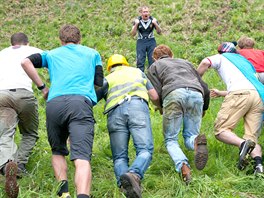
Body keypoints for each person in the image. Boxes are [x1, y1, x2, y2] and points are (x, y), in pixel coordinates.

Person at [21, 25, 104, 198]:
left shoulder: (51, 54)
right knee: (81, 156)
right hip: (80, 103)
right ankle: (82, 195)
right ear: (80, 39)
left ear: (60, 40)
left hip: (55, 104)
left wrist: (43, 87)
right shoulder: (93, 54)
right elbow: (99, 82)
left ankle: (64, 194)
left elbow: (25, 62)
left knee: (58, 151)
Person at [96, 54, 159, 198]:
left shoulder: (107, 79)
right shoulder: (137, 72)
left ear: (110, 67)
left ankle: (125, 188)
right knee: (145, 149)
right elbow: (154, 96)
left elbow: (92, 98)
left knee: (119, 157)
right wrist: (160, 107)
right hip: (137, 108)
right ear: (125, 63)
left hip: (114, 113)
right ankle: (134, 174)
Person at [146, 45, 210, 185]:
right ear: (172, 55)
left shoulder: (154, 67)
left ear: (154, 58)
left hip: (174, 93)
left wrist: (161, 107)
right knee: (191, 134)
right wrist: (204, 107)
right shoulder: (186, 63)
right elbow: (205, 87)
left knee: (171, 139)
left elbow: (155, 95)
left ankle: (183, 167)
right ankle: (196, 143)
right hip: (196, 94)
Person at [197, 42, 264, 174]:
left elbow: (205, 62)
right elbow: (248, 88)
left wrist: (196, 79)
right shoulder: (246, 62)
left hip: (239, 94)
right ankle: (258, 166)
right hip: (259, 96)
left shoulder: (222, 57)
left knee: (221, 130)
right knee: (251, 137)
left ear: (221, 52)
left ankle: (242, 144)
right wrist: (221, 93)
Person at [0, 32, 42, 197]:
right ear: (27, 42)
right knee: (30, 132)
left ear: (11, 43)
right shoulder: (31, 50)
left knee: (5, 134)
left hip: (2, 95)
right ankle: (19, 165)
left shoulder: (2, 53)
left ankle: (6, 164)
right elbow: (51, 61)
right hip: (23, 94)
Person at [131, 5, 162, 72]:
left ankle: (153, 77)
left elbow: (159, 32)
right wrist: (136, 24)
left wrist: (155, 24)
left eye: (147, 12)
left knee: (153, 60)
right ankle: (140, 77)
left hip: (151, 41)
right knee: (140, 60)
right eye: (144, 12)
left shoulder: (153, 20)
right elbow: (133, 34)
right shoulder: (137, 21)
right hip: (141, 41)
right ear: (141, 13)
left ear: (149, 13)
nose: (146, 13)